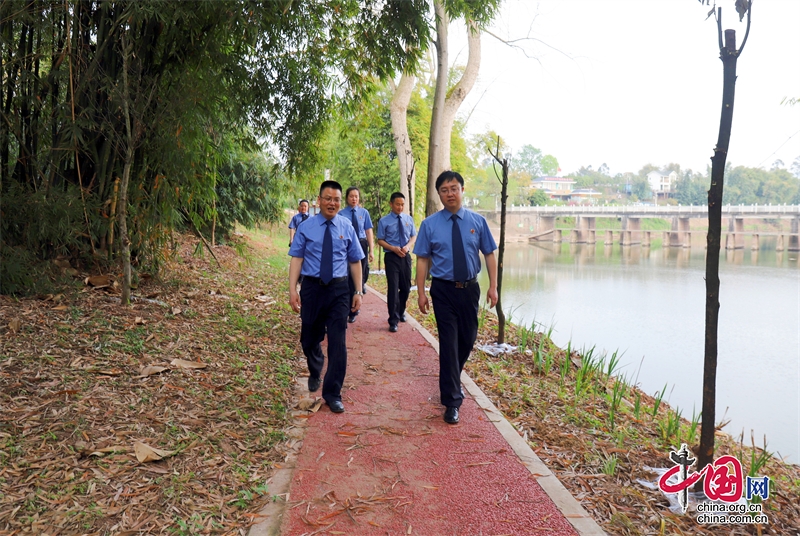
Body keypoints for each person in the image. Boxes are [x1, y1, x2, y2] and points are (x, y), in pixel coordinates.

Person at [413, 171, 498, 424]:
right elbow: (422, 260)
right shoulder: (430, 224)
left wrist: (494, 287)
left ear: (462, 190)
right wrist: (420, 292)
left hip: (470, 289)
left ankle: (451, 376)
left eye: (454, 188)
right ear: (439, 194)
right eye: (444, 190)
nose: (450, 193)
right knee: (449, 344)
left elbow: (490, 254)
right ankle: (452, 401)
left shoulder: (477, 221)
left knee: (468, 338)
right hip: (443, 290)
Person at [288, 181, 364, 413]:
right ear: (319, 200)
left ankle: (333, 393)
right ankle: (315, 366)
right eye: (328, 198)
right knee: (309, 337)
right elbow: (297, 259)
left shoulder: (347, 226)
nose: (332, 203)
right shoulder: (306, 227)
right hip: (312, 288)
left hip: (339, 290)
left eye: (336, 199)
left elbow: (355, 261)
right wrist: (292, 289)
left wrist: (358, 291)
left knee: (338, 342)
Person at [376, 192, 416, 333]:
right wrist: (392, 248)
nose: (400, 207)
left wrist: (408, 246)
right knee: (393, 288)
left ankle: (400, 311)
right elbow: (380, 240)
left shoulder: (408, 219)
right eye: (397, 204)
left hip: (405, 256)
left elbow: (413, 236)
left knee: (406, 287)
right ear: (391, 204)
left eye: (402, 205)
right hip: (391, 257)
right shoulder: (384, 221)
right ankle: (393, 320)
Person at [341, 187, 375, 323]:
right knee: (349, 274)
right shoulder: (342, 214)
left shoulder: (364, 213)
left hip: (361, 243)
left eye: (356, 196)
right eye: (351, 196)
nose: (354, 199)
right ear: (347, 198)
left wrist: (371, 250)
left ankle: (359, 290)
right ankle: (352, 308)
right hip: (348, 243)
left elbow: (368, 231)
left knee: (363, 271)